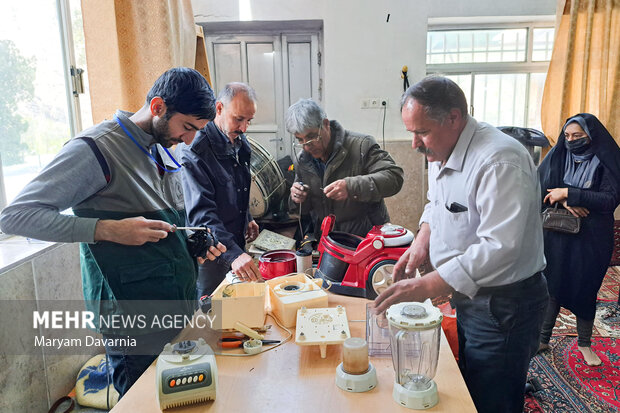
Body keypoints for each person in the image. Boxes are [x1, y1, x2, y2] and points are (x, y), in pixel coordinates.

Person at [0, 67, 227, 398]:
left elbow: (163, 221)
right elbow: (15, 217)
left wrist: (192, 242)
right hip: (132, 319)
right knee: (141, 402)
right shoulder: (96, 149)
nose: (189, 139)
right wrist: (107, 229)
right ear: (158, 107)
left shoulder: (162, 145)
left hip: (175, 309)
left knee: (178, 399)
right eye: (188, 127)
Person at [373, 76, 549, 413]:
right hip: (472, 297)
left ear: (454, 118)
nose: (414, 144)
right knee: (471, 380)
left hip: (504, 304)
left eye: (420, 132)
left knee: (493, 396)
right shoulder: (444, 148)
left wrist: (427, 284)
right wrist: (423, 238)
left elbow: (501, 247)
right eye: (411, 132)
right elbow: (436, 202)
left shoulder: (499, 161)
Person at [538, 114, 620, 366]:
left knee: (586, 286)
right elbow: (542, 185)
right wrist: (564, 198)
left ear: (591, 136)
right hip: (557, 231)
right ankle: (542, 339)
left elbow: (609, 199)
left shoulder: (606, 160)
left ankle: (585, 343)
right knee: (552, 282)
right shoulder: (560, 154)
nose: (571, 141)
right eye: (567, 136)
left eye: (578, 136)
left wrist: (571, 193)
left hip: (592, 237)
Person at [180, 82, 262, 300]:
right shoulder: (196, 150)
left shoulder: (239, 142)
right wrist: (234, 255)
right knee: (213, 311)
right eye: (238, 119)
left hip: (235, 239)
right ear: (219, 109)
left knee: (237, 308)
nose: (244, 128)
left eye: (248, 121)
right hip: (212, 251)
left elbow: (237, 186)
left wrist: (247, 216)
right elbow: (202, 215)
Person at [286, 98, 404, 240]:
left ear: (326, 124)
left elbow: (394, 177)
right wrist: (297, 198)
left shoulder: (361, 146)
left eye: (311, 136)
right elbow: (302, 211)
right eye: (300, 139)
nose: (306, 146)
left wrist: (351, 187)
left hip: (367, 240)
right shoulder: (303, 160)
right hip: (328, 243)